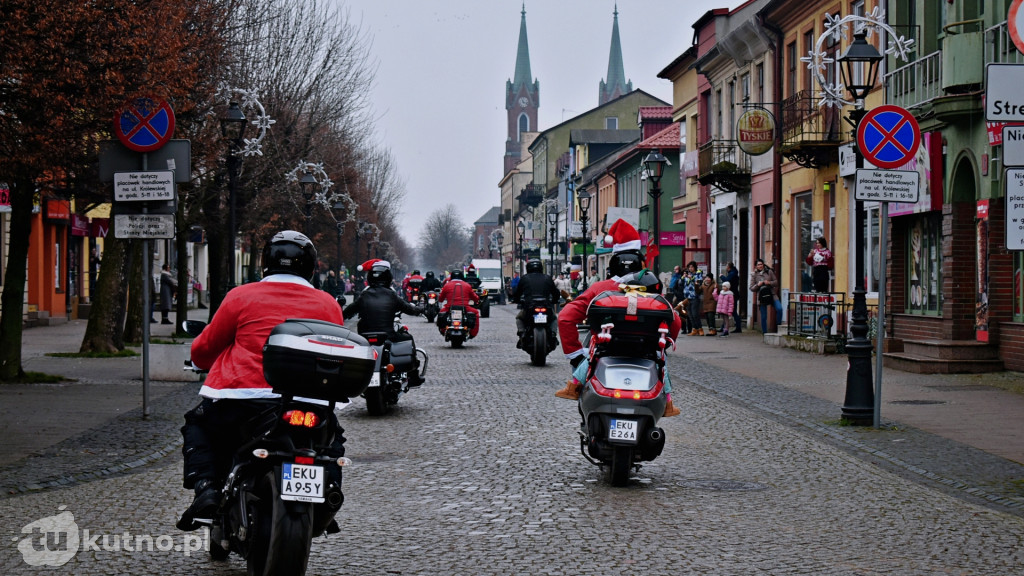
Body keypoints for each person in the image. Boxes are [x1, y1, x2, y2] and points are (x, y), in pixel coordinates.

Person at [177, 230, 346, 531]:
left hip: (242, 399)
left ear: (265, 262)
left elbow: (206, 348)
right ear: (311, 267)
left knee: (200, 425)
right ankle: (328, 489)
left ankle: (207, 490)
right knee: (330, 440)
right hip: (306, 401)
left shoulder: (240, 296)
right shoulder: (328, 304)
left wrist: (201, 362)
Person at [554, 219, 681, 418]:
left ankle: (575, 391)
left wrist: (576, 355)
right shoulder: (652, 291)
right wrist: (661, 345)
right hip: (645, 355)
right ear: (640, 264)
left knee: (586, 372)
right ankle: (667, 405)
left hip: (605, 353)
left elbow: (565, 318)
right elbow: (676, 322)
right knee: (662, 368)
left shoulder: (599, 289)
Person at [343, 259, 425, 385]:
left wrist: (339, 313)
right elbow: (409, 309)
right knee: (408, 337)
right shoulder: (391, 295)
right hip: (388, 335)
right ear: (388, 277)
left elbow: (349, 311)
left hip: (365, 336)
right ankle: (413, 375)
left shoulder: (364, 296)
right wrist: (420, 309)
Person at [512, 258, 560, 349]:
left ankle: (522, 333)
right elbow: (556, 293)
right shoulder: (547, 278)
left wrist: (516, 299)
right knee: (553, 318)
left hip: (529, 306)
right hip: (546, 305)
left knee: (519, 318)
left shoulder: (524, 278)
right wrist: (555, 300)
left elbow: (517, 293)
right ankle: (553, 334)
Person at [436, 269, 480, 339]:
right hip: (465, 307)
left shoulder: (447, 285)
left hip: (449, 307)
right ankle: (473, 333)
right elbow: (475, 298)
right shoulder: (467, 285)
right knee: (476, 313)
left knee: (441, 313)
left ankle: (443, 330)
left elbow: (440, 299)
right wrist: (477, 299)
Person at [749, 257, 783, 334]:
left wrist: (769, 282)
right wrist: (758, 285)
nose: (760, 266)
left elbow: (776, 282)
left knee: (779, 308)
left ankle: (779, 326)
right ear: (756, 266)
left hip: (771, 294)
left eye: (761, 264)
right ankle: (765, 333)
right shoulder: (754, 275)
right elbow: (751, 288)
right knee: (764, 316)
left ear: (763, 265)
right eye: (758, 265)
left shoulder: (769, 272)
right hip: (762, 296)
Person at [682, 261, 705, 335]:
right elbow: (683, 283)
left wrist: (691, 278)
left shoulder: (698, 273)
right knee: (690, 314)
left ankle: (700, 328)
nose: (690, 268)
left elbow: (698, 282)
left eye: (692, 267)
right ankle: (694, 329)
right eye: (689, 267)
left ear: (695, 267)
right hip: (687, 297)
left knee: (695, 314)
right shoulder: (688, 274)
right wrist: (683, 277)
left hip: (695, 296)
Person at [719, 262, 741, 333]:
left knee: (733, 311)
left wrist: (722, 276)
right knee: (726, 311)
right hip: (732, 294)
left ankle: (738, 327)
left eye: (726, 266)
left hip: (732, 295)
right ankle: (723, 327)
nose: (725, 268)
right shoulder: (733, 273)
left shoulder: (732, 274)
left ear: (728, 267)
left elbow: (727, 281)